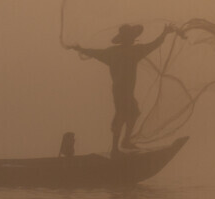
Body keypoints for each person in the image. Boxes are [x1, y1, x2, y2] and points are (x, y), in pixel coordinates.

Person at [73, 23, 174, 156]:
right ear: (127, 38)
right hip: (122, 91)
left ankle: (124, 141)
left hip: (122, 90)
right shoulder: (133, 51)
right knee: (122, 116)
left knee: (133, 113)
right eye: (130, 36)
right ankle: (116, 148)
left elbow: (93, 52)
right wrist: (164, 33)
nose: (132, 39)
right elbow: (155, 44)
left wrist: (79, 48)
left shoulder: (113, 52)